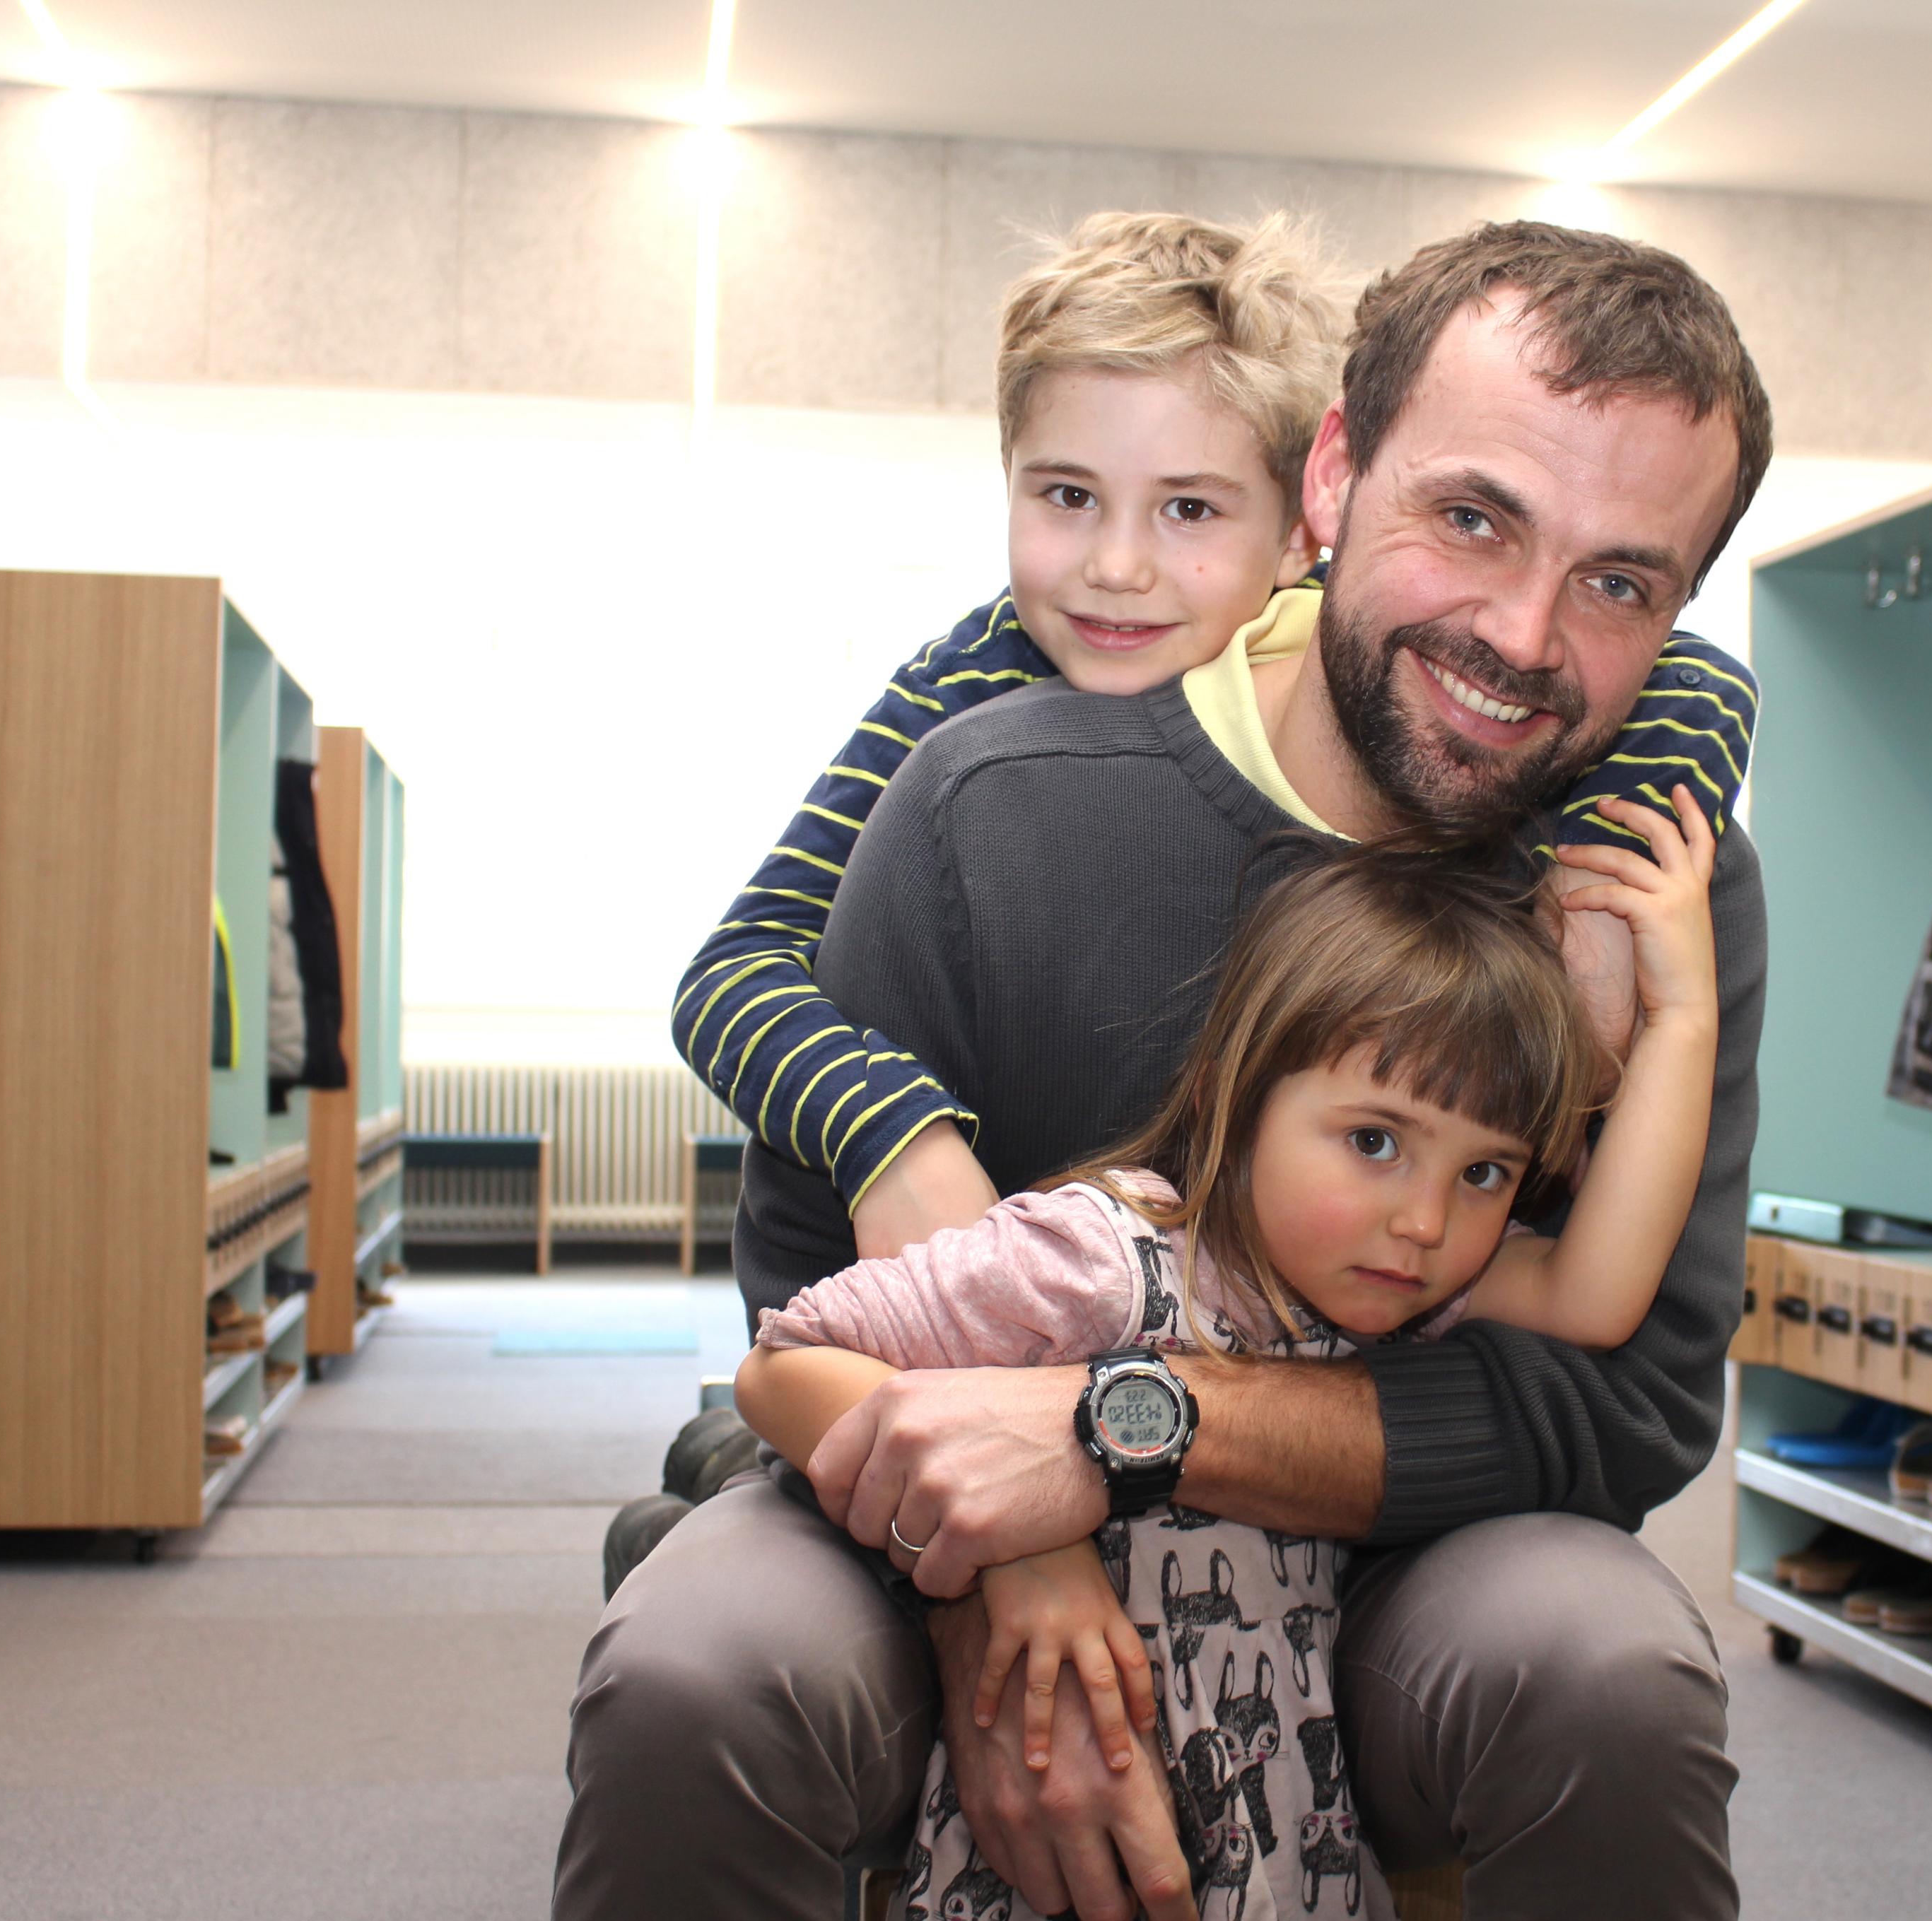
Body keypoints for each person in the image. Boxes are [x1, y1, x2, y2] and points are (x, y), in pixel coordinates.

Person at [558, 219, 1772, 1921]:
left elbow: (1617, 1404)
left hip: (1405, 1564)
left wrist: (1119, 1434)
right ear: (1333, 477)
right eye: (1472, 518)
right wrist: (991, 1569)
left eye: (1620, 583)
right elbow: (811, 1302)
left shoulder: (1649, 890)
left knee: (1608, 1670)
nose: (1521, 631)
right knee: (698, 1660)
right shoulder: (981, 781)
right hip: (946, 1506)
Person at [669, 209, 1755, 1264]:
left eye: (1190, 509)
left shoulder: (1431, 673)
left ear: (1297, 529)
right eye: (1066, 495)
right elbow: (736, 965)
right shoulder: (971, 697)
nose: (1116, 568)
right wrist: (889, 1137)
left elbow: (1702, 679)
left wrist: (1601, 899)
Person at [735, 800, 1721, 1921]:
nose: (1425, 1221)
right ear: (1234, 1097)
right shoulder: (1098, 1257)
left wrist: (1685, 1018)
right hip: (1047, 1859)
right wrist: (1018, 1545)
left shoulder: (1399, 1299)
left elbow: (1596, 1293)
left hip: (1279, 1849)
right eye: (1375, 1141)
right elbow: (787, 1364)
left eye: (1485, 1173)